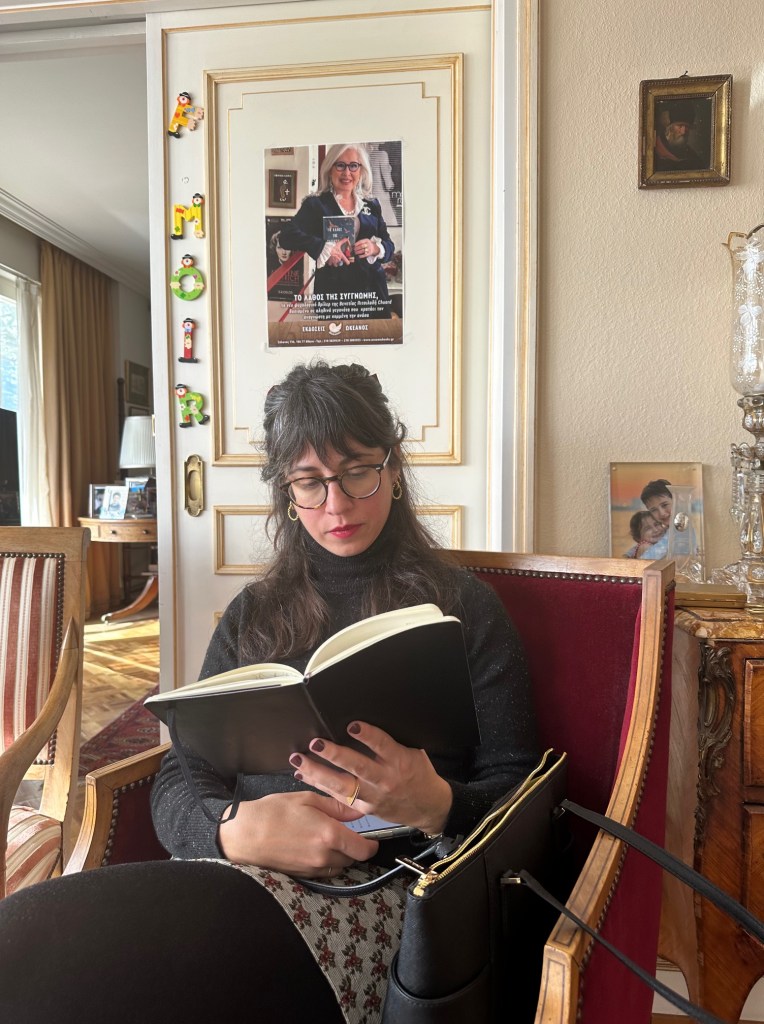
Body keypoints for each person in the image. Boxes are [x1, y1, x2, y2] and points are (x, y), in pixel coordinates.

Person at [0, 360, 539, 1024]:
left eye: (359, 471)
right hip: (238, 874)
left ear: (394, 469)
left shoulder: (465, 609)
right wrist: (228, 830)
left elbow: (525, 791)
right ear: (286, 491)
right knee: (23, 942)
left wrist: (440, 805)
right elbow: (179, 775)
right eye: (310, 482)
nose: (336, 505)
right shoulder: (251, 615)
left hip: (390, 896)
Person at [279, 145, 395, 321]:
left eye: (353, 166)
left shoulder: (372, 204)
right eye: (340, 165)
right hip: (334, 296)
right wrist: (322, 248)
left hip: (373, 295)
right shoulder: (315, 204)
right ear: (329, 169)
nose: (347, 173)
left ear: (361, 170)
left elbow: (389, 246)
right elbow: (286, 236)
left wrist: (375, 248)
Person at [653, 100, 706, 172]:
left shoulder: (692, 156)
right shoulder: (655, 151)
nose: (683, 132)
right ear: (669, 127)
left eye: (687, 127)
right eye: (680, 126)